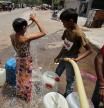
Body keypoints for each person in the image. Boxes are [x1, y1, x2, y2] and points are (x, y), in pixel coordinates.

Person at [54, 8, 92, 97]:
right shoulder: (67, 30)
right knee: (57, 73)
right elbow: (65, 45)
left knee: (70, 79)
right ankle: (53, 88)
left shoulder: (79, 34)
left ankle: (68, 96)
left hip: (71, 59)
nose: (63, 25)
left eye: (64, 22)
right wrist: (59, 55)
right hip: (64, 56)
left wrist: (76, 59)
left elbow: (90, 50)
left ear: (71, 21)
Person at [10, 14, 46, 102]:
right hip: (25, 61)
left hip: (18, 58)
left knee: (20, 77)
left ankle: (20, 93)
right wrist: (36, 20)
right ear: (23, 28)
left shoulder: (12, 35)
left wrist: (30, 23)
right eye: (25, 27)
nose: (26, 28)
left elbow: (23, 29)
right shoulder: (25, 38)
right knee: (27, 79)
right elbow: (43, 32)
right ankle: (27, 96)